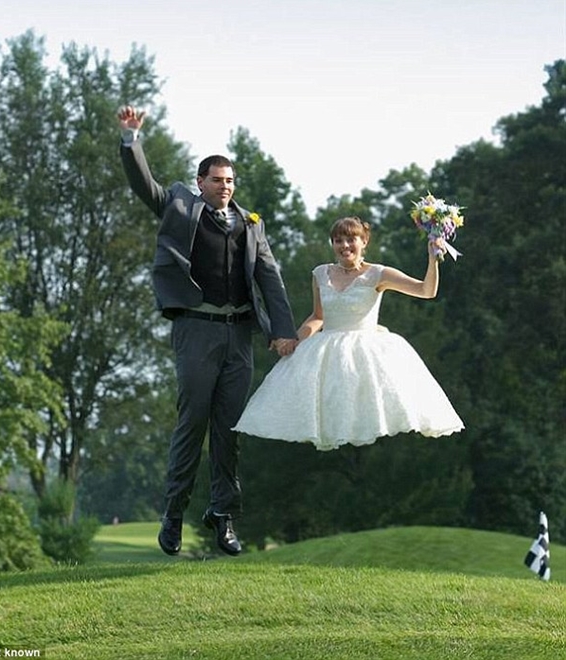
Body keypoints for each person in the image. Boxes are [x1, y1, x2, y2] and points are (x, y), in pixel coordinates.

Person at [118, 105, 297, 556]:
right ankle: (174, 513)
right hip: (196, 332)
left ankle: (223, 515)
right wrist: (131, 140)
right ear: (201, 183)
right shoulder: (180, 206)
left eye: (230, 180)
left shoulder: (252, 225)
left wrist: (283, 331)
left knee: (230, 428)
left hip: (239, 336)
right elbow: (144, 185)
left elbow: (271, 280)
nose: (225, 186)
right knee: (192, 423)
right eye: (217, 180)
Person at [233, 216, 464, 450]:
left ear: (364, 242)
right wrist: (295, 340)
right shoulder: (321, 274)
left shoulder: (378, 274)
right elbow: (318, 316)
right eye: (338, 240)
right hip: (327, 349)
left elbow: (426, 291)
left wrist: (433, 259)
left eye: (351, 239)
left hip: (365, 349)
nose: (345, 246)